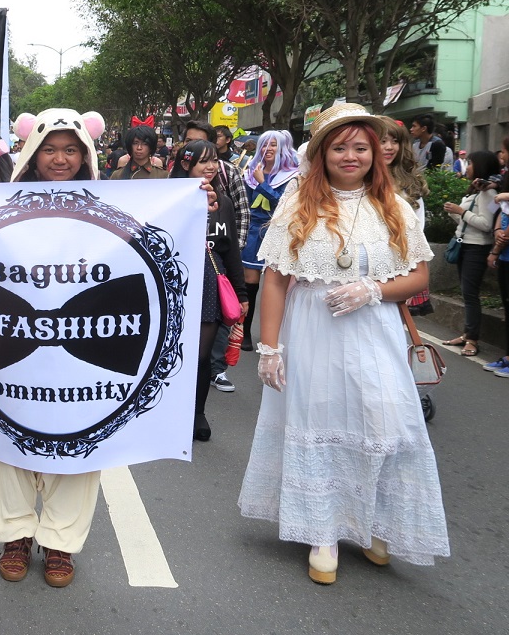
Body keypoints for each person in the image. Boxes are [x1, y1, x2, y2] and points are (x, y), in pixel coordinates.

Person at [0, 107, 218, 587]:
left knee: (79, 444)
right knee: (5, 438)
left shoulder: (118, 201)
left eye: (71, 149)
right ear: (31, 152)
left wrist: (197, 202)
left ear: (86, 153)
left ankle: (60, 544)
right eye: (50, 148)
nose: (61, 158)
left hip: (84, 349)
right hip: (10, 343)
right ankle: (15, 535)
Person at [238, 103, 449, 585]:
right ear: (321, 153)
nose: (350, 156)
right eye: (339, 147)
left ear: (376, 153)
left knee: (382, 417)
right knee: (322, 417)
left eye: (360, 147)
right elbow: (274, 280)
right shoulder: (298, 202)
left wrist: (374, 289)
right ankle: (323, 531)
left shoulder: (392, 205)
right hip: (312, 327)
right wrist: (269, 348)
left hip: (373, 328)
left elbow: (419, 273)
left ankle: (377, 522)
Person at [170, 140, 248, 439]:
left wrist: (241, 293)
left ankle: (197, 413)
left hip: (210, 283)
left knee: (200, 357)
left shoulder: (224, 202)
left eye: (214, 160)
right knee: (174, 353)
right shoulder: (169, 201)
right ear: (186, 165)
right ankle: (170, 412)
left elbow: (230, 252)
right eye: (203, 161)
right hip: (175, 283)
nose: (211, 166)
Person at [239, 130, 300, 351]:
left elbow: (283, 207)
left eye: (273, 144)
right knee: (250, 285)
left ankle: (276, 336)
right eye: (264, 144)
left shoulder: (293, 176)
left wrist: (263, 183)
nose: (268, 149)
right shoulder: (251, 172)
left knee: (279, 286)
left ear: (283, 147)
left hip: (280, 232)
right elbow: (244, 204)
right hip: (254, 232)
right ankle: (245, 333)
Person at [441, 150, 501, 358]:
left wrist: (461, 212)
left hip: (477, 248)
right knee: (467, 293)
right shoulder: (475, 191)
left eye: (471, 163)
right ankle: (467, 334)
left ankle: (472, 339)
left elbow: (486, 225)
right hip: (465, 244)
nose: (467, 167)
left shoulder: (489, 194)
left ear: (481, 166)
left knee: (470, 294)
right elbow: (468, 223)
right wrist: (456, 213)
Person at [381, 118, 432, 316]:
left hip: (402, 265)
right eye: (383, 141)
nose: (389, 147)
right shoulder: (354, 181)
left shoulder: (408, 182)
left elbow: (418, 229)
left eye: (395, 141)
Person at [488, 134, 509, 380]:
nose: (502, 156)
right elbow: (503, 213)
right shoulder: (507, 178)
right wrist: (498, 230)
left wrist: (498, 245)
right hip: (506, 252)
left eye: (504, 151)